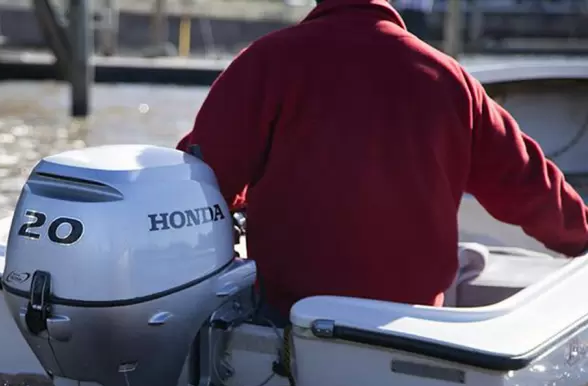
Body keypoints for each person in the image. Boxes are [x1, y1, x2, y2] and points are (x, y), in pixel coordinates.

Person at [176, 0, 588, 325]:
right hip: (416, 325)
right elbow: (530, 188)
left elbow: (198, 185)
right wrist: (583, 237)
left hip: (292, 318)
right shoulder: (450, 79)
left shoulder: (266, 63)